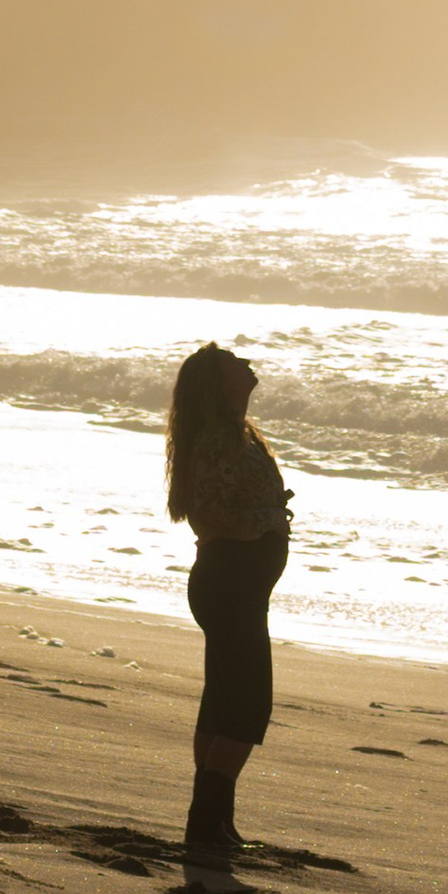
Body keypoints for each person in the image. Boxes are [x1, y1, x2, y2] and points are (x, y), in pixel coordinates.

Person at [165, 339, 290, 865]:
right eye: (233, 362)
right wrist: (271, 517)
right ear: (220, 384)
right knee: (244, 706)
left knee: (223, 702)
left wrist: (269, 515)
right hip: (229, 584)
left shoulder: (237, 434)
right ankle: (204, 824)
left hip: (236, 585)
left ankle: (215, 821)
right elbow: (211, 517)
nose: (246, 363)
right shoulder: (219, 440)